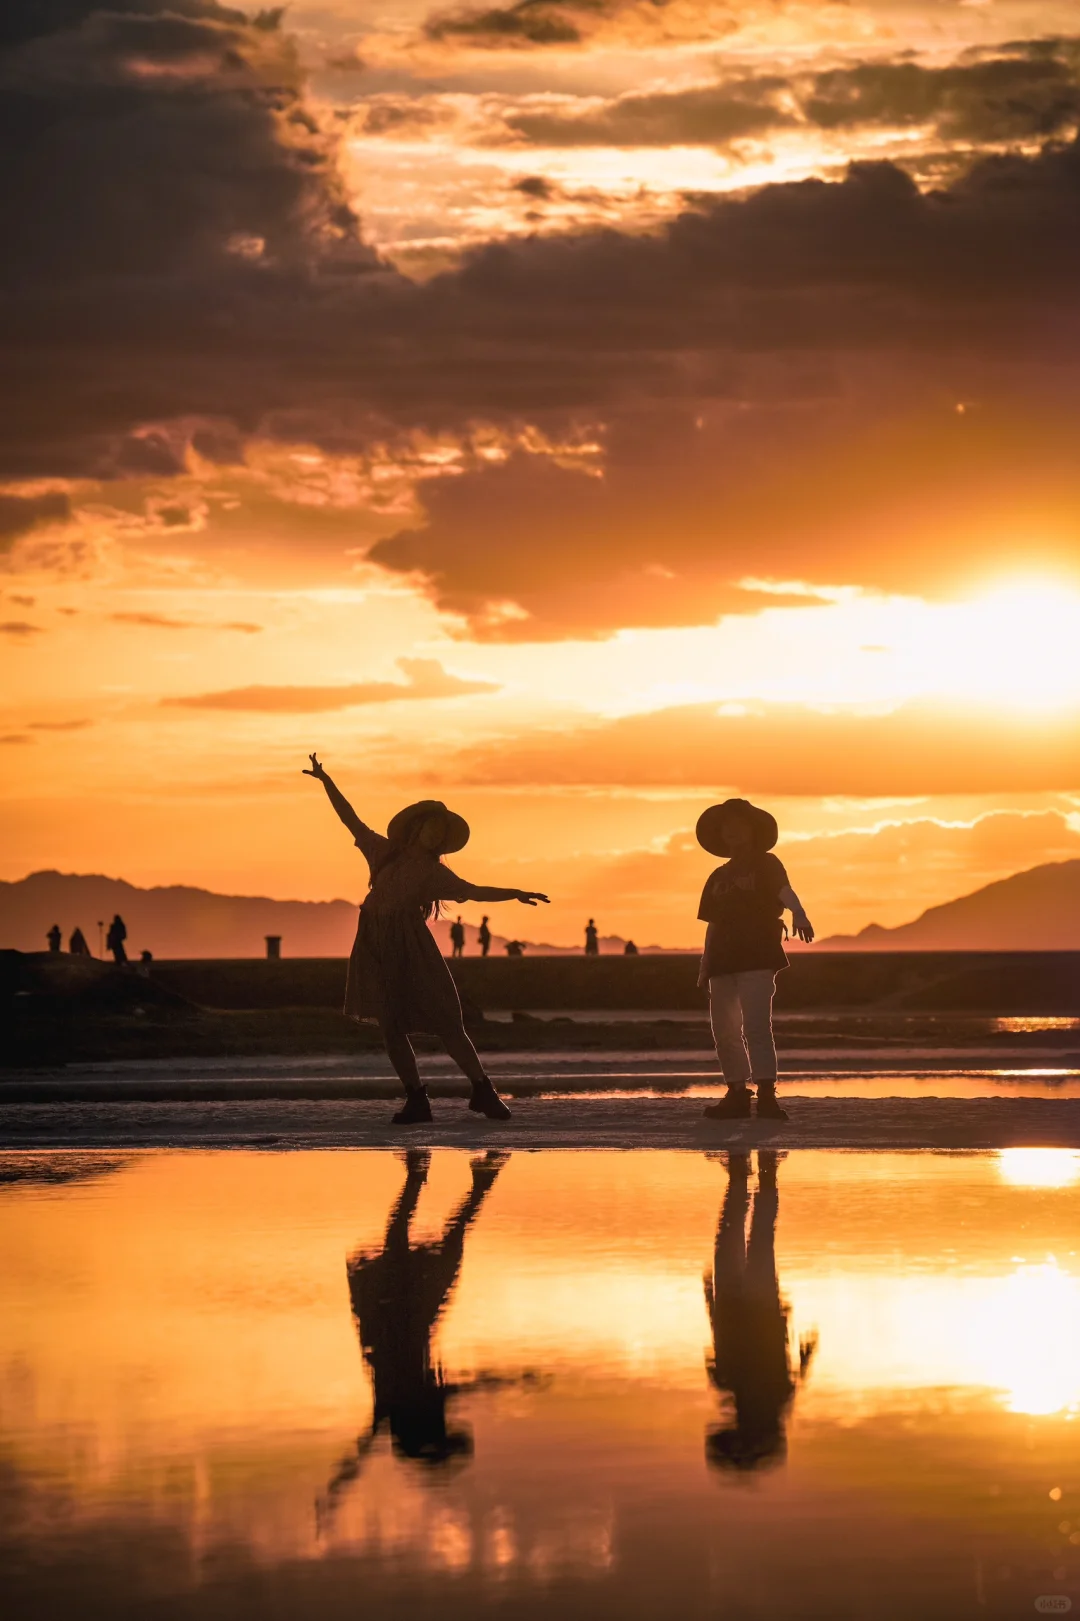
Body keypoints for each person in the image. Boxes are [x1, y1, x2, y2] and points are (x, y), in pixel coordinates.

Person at [304, 753, 548, 1125]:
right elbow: (349, 818)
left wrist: (514, 892)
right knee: (390, 1026)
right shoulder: (382, 852)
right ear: (415, 829)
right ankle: (417, 1099)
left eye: (441, 832)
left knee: (449, 1021)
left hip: (413, 950)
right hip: (374, 946)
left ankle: (483, 1090)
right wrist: (326, 782)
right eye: (431, 827)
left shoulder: (435, 874)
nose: (435, 834)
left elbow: (475, 890)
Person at [320, 1149, 507, 1519]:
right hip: (405, 1319)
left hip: (395, 1317)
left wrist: (336, 1492)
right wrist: (506, 1380)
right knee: (430, 1243)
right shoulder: (403, 1408)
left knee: (422, 1242)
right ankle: (444, 1178)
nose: (447, 1420)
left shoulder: (396, 1407)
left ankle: (431, 1177)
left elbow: (359, 1453)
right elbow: (459, 1389)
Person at [695, 798, 813, 1122]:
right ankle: (736, 1092)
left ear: (752, 830)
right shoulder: (717, 876)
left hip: (758, 957)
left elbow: (783, 890)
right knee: (725, 1030)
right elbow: (713, 924)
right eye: (726, 826)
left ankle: (766, 1096)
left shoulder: (767, 864)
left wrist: (799, 911)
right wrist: (705, 965)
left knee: (757, 1027)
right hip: (722, 961)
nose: (732, 830)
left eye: (739, 824)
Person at [704, 1150, 816, 1472]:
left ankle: (756, 1175)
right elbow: (722, 1340)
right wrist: (711, 1301)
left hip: (752, 1305)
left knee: (754, 1236)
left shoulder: (756, 1391)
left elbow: (721, 1339)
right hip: (752, 1305)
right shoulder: (741, 1387)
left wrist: (711, 1301)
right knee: (742, 1236)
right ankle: (755, 1174)